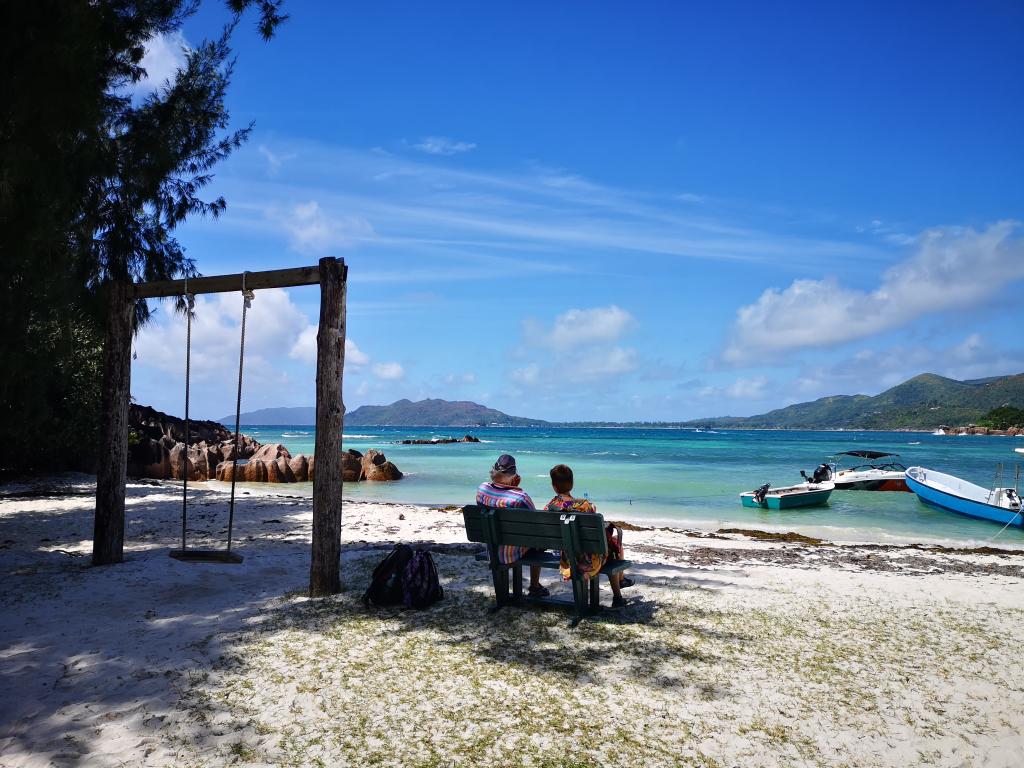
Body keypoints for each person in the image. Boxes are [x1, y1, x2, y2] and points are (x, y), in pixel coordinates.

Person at [545, 463, 631, 608]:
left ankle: (621, 584)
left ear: (553, 485)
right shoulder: (585, 506)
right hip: (589, 561)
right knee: (613, 547)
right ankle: (618, 596)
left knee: (609, 546)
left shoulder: (549, 507)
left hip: (566, 558)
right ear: (572, 484)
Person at [476, 454, 549, 597]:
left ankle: (504, 594)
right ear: (514, 475)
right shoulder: (521, 498)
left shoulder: (482, 490)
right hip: (512, 552)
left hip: (493, 548)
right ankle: (534, 586)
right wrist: (516, 489)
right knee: (539, 542)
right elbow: (537, 525)